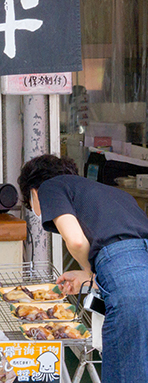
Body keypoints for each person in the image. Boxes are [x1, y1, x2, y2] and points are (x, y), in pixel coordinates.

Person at [18, 154, 148, 382]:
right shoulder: (114, 194)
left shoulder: (50, 186)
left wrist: (90, 272)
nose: (38, 212)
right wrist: (91, 277)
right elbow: (129, 254)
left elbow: (76, 241)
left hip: (129, 279)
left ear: (33, 192)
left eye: (32, 206)